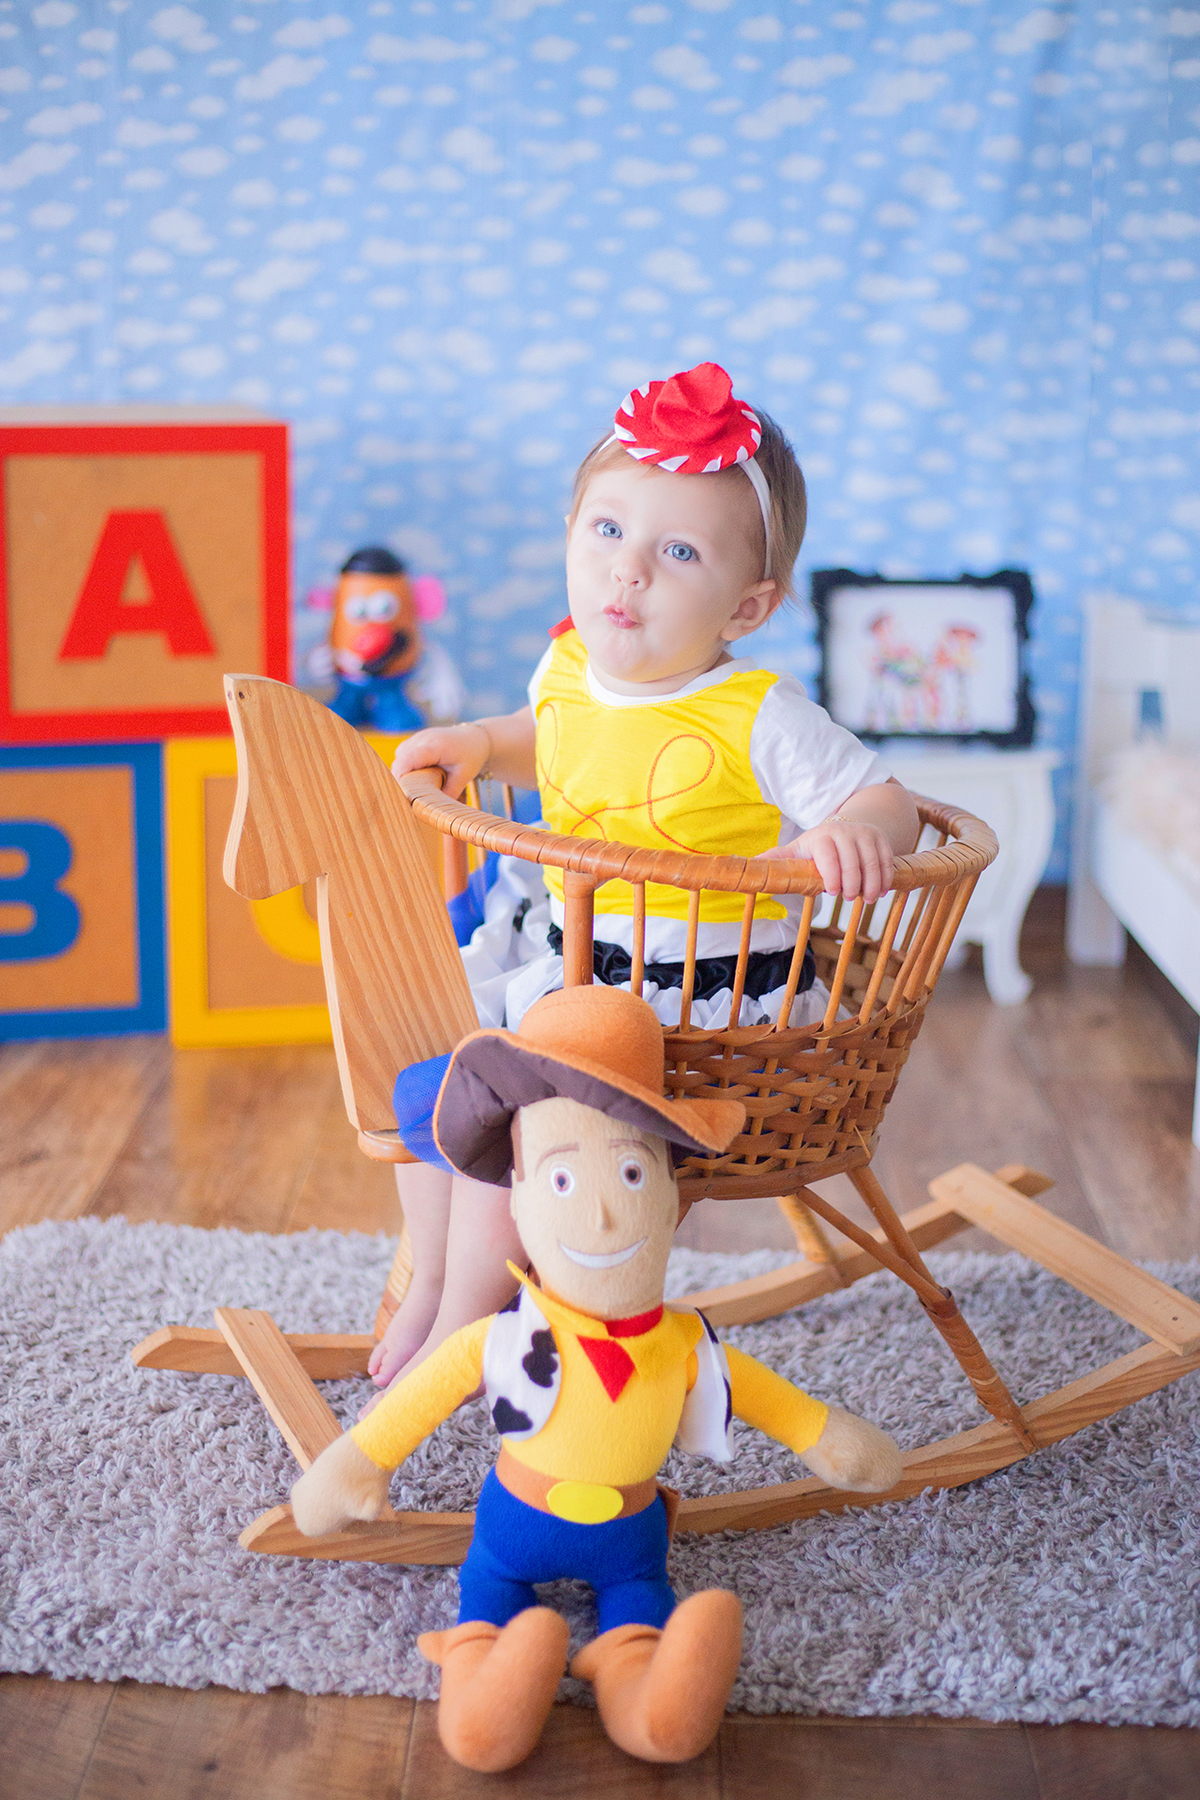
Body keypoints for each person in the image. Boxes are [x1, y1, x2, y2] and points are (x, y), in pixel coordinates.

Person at [370, 361, 919, 1398]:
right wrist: (480, 741)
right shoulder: (570, 662)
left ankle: (462, 1319)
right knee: (429, 1078)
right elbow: (556, 742)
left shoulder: (758, 714)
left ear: (747, 605)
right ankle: (435, 1272)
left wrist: (853, 833)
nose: (628, 573)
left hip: (679, 995)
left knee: (507, 1108)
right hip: (562, 947)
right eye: (607, 532)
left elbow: (886, 796)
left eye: (677, 552)